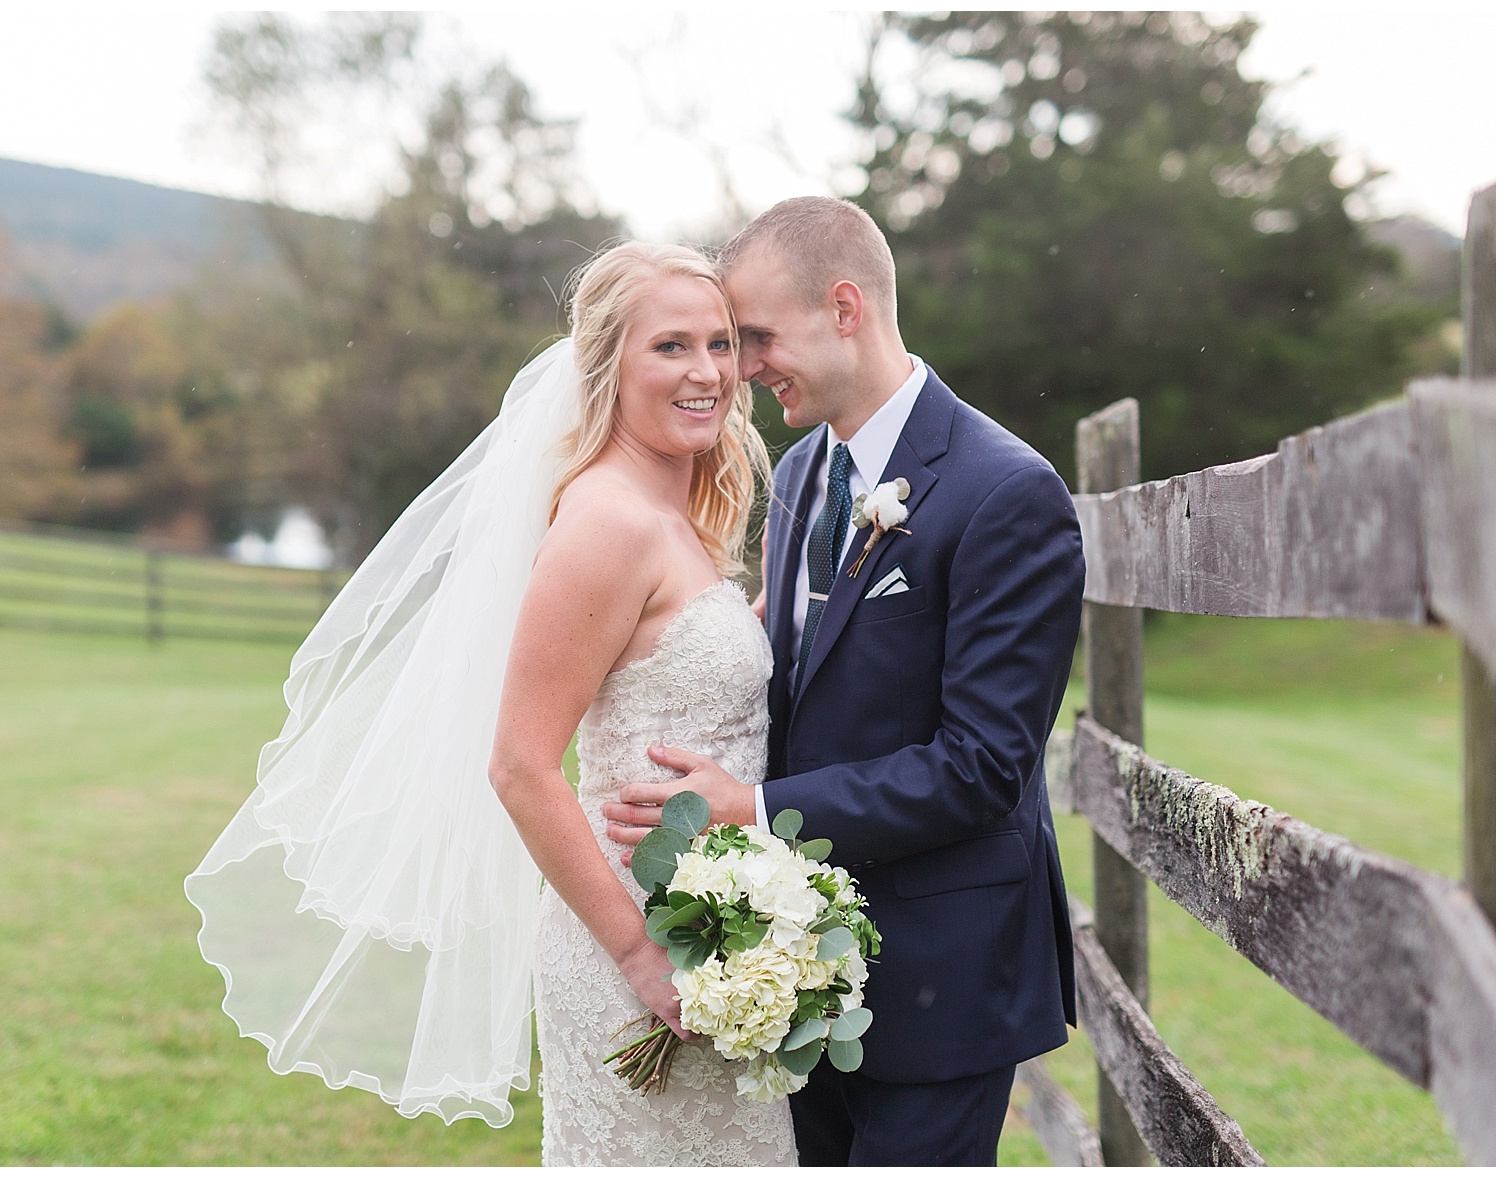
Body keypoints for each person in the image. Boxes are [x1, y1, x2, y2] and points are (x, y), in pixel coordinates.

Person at [185, 242, 797, 1165]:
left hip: (720, 931)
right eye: (670, 346)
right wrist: (639, 956)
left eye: (719, 343)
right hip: (642, 946)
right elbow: (519, 766)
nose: (706, 372)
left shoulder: (673, 515)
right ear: (607, 366)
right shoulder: (610, 524)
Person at [605, 197, 1084, 1166]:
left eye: (757, 338)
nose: (741, 369)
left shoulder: (1008, 493)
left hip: (945, 971)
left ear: (847, 307)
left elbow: (984, 765)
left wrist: (752, 804)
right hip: (799, 968)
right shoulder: (801, 476)